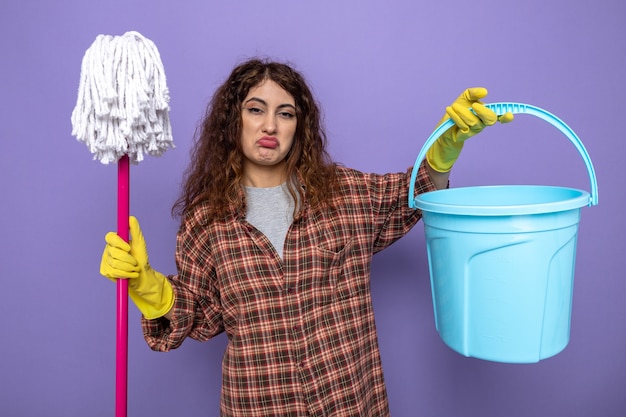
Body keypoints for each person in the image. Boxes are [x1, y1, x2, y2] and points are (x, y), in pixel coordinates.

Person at [100, 58, 513, 417]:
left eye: (285, 113)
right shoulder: (206, 222)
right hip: (257, 404)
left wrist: (443, 146)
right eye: (255, 109)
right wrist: (148, 286)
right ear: (234, 120)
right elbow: (203, 315)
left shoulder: (343, 194)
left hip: (351, 401)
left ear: (300, 126)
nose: (269, 124)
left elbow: (413, 194)